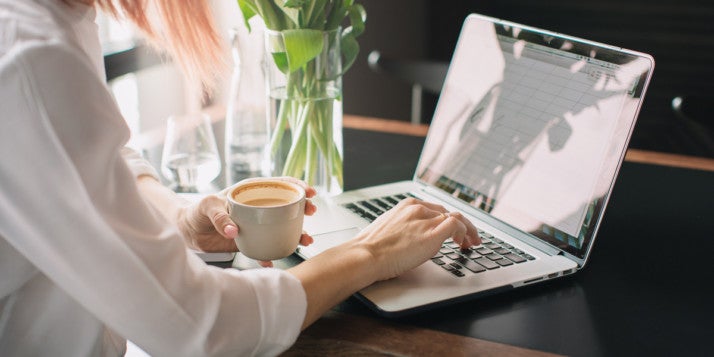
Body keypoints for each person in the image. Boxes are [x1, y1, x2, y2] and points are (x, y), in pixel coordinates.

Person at [0, 0, 481, 355]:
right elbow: (201, 327)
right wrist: (370, 252)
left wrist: (177, 218)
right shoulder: (32, 54)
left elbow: (89, 156)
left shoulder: (46, 19)